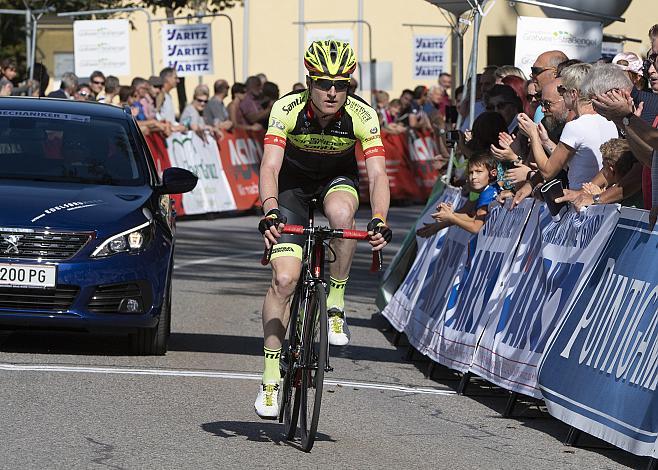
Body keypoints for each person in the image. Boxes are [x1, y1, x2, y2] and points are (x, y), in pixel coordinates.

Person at [254, 40, 391, 418]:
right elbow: (269, 167)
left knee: (344, 217)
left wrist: (380, 218)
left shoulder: (363, 116)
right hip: (291, 188)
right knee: (284, 280)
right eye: (323, 83)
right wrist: (270, 212)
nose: (332, 92)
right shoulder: (286, 109)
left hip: (337, 180)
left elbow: (377, 174)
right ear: (309, 82)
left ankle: (335, 301)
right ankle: (269, 377)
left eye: (341, 85)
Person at [519, 63, 623, 190]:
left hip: (581, 200)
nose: (561, 94)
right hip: (601, 199)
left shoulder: (575, 126)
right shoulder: (609, 121)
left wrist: (533, 135)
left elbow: (547, 172)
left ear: (573, 93)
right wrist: (545, 141)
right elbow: (576, 162)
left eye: (562, 90)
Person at [417, 153, 499, 237]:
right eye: (471, 172)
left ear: (493, 173)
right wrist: (449, 216)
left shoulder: (488, 193)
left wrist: (451, 217)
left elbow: (476, 228)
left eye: (479, 172)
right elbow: (472, 217)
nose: (473, 176)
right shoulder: (490, 189)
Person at [158, 67, 186, 132]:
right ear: (167, 79)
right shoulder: (160, 95)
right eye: (175, 78)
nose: (178, 81)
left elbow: (171, 119)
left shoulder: (168, 96)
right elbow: (158, 117)